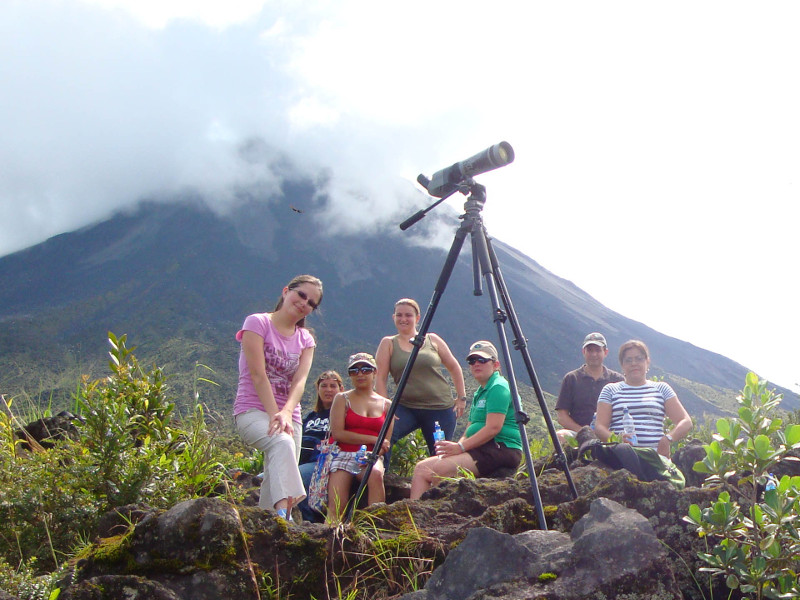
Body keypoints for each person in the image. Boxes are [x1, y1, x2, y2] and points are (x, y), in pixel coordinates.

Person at [233, 274, 323, 520]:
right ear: (286, 291)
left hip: (289, 416)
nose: (304, 303)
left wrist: (285, 413)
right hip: (252, 410)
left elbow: (300, 382)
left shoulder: (305, 339)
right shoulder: (257, 323)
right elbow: (257, 374)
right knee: (282, 443)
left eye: (311, 303)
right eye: (301, 294)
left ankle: (267, 529)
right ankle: (285, 516)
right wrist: (275, 413)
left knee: (276, 477)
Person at [410, 341, 523, 499]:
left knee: (441, 468)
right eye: (472, 361)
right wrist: (456, 447)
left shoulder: (498, 387)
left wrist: (461, 447)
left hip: (501, 447)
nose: (476, 364)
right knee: (422, 468)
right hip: (481, 447)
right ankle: (415, 518)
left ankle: (437, 516)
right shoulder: (480, 392)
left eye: (482, 360)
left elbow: (493, 428)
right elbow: (470, 427)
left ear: (496, 364)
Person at [375, 298, 467, 459]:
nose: (403, 319)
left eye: (408, 315)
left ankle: (436, 484)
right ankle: (380, 478)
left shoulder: (432, 339)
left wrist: (461, 397)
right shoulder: (388, 343)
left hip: (440, 408)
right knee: (383, 438)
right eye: (399, 315)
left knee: (440, 454)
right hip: (405, 407)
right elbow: (380, 378)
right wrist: (386, 406)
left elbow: (454, 367)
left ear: (417, 318)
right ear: (393, 317)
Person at [594, 340, 692, 458]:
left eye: (639, 359)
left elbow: (686, 421)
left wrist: (668, 439)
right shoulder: (610, 390)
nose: (634, 363)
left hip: (656, 460)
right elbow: (599, 427)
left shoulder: (662, 388)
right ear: (622, 365)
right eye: (628, 360)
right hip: (620, 459)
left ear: (647, 362)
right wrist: (617, 439)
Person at [327, 352, 393, 521]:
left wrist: (376, 452)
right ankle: (332, 536)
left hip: (370, 456)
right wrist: (372, 440)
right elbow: (338, 433)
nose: (360, 374)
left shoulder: (387, 405)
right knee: (336, 509)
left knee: (376, 474)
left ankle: (375, 525)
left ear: (375, 372)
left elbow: (386, 443)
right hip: (343, 455)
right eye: (354, 371)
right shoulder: (342, 399)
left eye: (365, 369)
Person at [554, 332, 624, 443]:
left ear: (605, 352)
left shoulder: (617, 380)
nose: (594, 354)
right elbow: (562, 416)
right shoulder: (572, 378)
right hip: (578, 434)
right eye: (590, 350)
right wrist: (585, 433)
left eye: (598, 350)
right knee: (560, 436)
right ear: (584, 352)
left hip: (609, 435)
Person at [296, 370, 344, 523]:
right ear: (318, 389)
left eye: (333, 386)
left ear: (341, 389)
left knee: (296, 481)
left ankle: (307, 526)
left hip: (320, 462)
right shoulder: (310, 417)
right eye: (324, 386)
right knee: (261, 480)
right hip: (298, 460)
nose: (328, 390)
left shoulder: (343, 414)